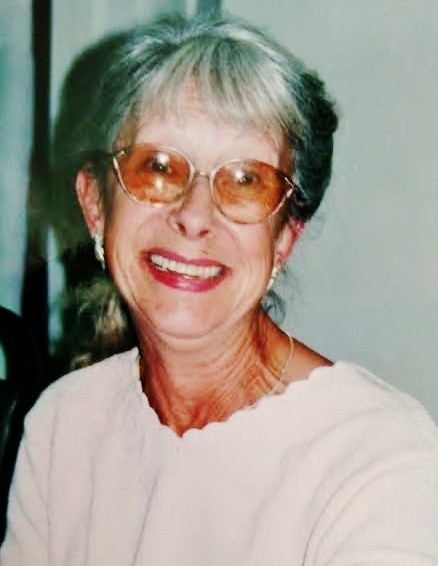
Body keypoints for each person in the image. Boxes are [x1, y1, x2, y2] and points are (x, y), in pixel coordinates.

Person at [1, 11, 438, 566]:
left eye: (245, 180)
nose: (194, 216)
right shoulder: (62, 423)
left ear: (284, 237)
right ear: (95, 206)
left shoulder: (374, 455)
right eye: (158, 167)